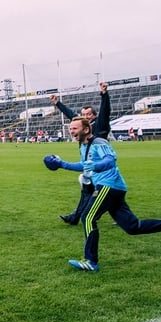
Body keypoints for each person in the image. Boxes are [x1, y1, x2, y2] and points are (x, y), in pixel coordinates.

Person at [42, 117, 161, 272]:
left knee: (88, 218)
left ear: (85, 129)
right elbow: (85, 165)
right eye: (70, 128)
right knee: (133, 227)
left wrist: (96, 166)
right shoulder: (83, 146)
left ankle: (91, 261)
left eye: (74, 128)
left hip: (108, 185)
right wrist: (62, 164)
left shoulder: (99, 142)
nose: (71, 131)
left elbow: (110, 160)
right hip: (114, 187)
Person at [50, 81, 111, 225]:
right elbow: (70, 114)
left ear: (94, 116)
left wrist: (104, 94)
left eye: (89, 114)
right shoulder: (81, 126)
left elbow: (105, 111)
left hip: (99, 165)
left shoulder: (99, 124)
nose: (86, 117)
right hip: (89, 165)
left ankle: (82, 216)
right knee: (88, 192)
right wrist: (57, 103)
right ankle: (76, 217)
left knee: (99, 193)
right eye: (83, 114)